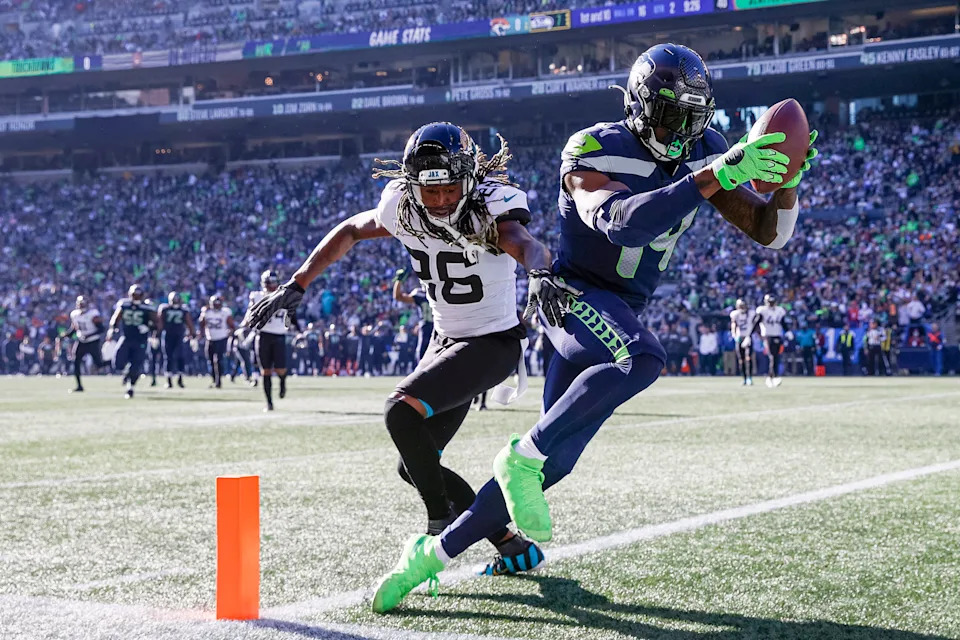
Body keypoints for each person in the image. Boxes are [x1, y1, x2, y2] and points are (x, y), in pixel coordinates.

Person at [365, 43, 818, 613]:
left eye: (695, 116)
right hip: (570, 295)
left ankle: (428, 556)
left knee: (554, 465)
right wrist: (715, 174)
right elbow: (621, 224)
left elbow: (768, 232)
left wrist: (790, 180)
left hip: (619, 307)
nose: (685, 130)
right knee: (641, 360)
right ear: (640, 105)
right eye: (673, 113)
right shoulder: (593, 146)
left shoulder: (705, 148)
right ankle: (519, 457)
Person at [244, 121, 571, 583]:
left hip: (491, 343)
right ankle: (510, 544)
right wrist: (298, 282)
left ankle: (438, 527)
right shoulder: (402, 206)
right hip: (445, 341)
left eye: (449, 188)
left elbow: (524, 243)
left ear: (468, 178)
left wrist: (540, 271)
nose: (438, 201)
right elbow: (352, 229)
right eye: (428, 190)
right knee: (414, 464)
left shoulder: (489, 205)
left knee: (399, 411)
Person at [247, 270, 292, 410]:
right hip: (263, 335)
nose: (270, 287)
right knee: (265, 371)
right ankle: (269, 402)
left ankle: (283, 382)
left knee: (280, 369)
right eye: (268, 284)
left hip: (279, 335)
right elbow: (250, 313)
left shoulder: (284, 296)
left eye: (272, 283)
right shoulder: (256, 296)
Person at [108, 284, 158, 399]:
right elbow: (115, 318)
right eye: (134, 295)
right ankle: (126, 374)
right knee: (118, 363)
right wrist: (112, 329)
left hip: (141, 340)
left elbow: (157, 323)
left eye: (138, 295)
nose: (136, 297)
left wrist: (149, 328)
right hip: (126, 337)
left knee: (136, 366)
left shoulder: (148, 307)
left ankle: (130, 388)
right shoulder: (124, 304)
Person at [59, 295, 105, 392]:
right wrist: (67, 335)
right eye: (80, 304)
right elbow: (74, 328)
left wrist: (89, 335)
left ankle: (115, 363)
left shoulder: (93, 314)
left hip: (93, 341)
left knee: (99, 364)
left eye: (83, 304)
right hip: (81, 340)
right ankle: (79, 386)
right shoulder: (74, 314)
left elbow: (101, 329)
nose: (81, 306)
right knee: (76, 362)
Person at [392, 267, 434, 361]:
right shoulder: (419, 293)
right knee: (422, 353)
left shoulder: (440, 291)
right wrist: (399, 281)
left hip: (441, 326)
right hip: (426, 326)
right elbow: (398, 297)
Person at [158, 291, 195, 389]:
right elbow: (160, 323)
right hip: (169, 335)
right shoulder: (165, 309)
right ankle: (170, 380)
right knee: (169, 357)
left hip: (178, 335)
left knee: (179, 357)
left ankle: (179, 378)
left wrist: (192, 334)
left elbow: (189, 322)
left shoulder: (182, 310)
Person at [198, 294, 234, 389]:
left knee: (218, 360)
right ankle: (214, 380)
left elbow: (231, 325)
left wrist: (230, 332)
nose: (216, 306)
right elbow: (201, 323)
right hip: (210, 338)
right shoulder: (206, 312)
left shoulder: (225, 312)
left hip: (221, 338)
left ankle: (218, 381)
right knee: (210, 360)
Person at [752, 293, 787, 387]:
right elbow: (756, 322)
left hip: (777, 335)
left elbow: (783, 322)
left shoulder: (779, 310)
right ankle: (774, 377)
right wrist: (750, 334)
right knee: (772, 356)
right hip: (767, 335)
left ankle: (770, 377)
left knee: (776, 357)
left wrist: (788, 331)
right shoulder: (762, 310)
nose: (771, 304)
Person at [730, 298, 755, 385]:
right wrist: (734, 335)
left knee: (749, 358)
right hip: (740, 337)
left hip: (748, 336)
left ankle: (750, 377)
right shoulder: (735, 314)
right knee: (741, 359)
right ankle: (744, 378)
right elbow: (733, 325)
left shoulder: (751, 313)